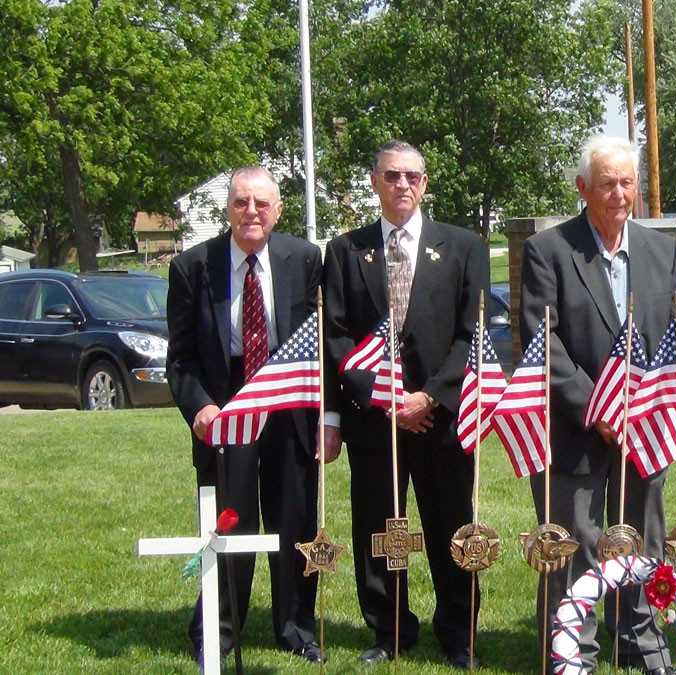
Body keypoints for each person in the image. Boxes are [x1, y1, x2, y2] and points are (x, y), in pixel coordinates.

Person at [520, 134, 676, 675]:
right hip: (577, 431)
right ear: (581, 189)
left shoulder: (661, 250)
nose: (619, 194)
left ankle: (642, 641)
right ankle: (574, 651)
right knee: (577, 546)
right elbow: (542, 343)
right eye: (606, 184)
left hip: (647, 427)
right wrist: (601, 409)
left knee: (641, 541)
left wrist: (648, 407)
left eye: (627, 182)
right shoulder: (548, 250)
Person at [322, 140, 489, 670]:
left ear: (425, 182)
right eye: (392, 176)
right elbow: (337, 335)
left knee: (450, 529)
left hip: (441, 419)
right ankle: (389, 628)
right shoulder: (347, 250)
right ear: (375, 181)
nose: (403, 186)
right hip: (375, 420)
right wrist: (381, 395)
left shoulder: (463, 246)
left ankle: (458, 633)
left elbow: (474, 334)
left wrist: (428, 396)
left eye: (413, 176)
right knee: (379, 529)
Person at [166, 165, 327, 665]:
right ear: (228, 209)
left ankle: (295, 627)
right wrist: (201, 407)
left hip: (288, 395)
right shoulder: (193, 266)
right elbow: (181, 358)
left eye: (261, 203)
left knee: (293, 516)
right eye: (241, 202)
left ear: (278, 210)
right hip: (226, 400)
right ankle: (217, 629)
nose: (251, 212)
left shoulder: (304, 259)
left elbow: (322, 345)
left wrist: (329, 416)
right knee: (228, 519)